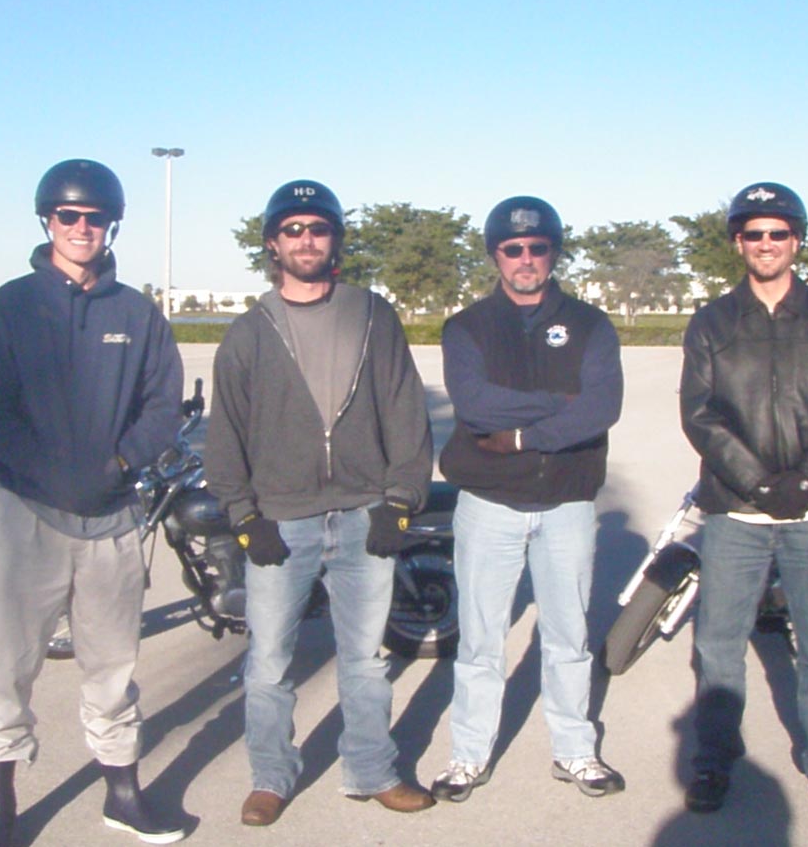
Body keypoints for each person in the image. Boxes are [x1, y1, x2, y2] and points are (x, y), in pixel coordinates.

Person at [0, 159, 186, 846]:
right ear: (47, 220)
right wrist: (47, 469)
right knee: (8, 667)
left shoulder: (138, 315)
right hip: (28, 516)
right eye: (68, 216)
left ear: (111, 225)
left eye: (95, 217)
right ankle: (1, 806)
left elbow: (162, 406)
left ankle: (123, 793)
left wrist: (119, 463)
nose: (81, 227)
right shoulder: (9, 307)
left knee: (112, 668)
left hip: (113, 519)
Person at [203, 179, 435, 827]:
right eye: (293, 229)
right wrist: (245, 517)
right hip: (282, 520)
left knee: (365, 662)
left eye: (319, 228)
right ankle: (271, 777)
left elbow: (405, 411)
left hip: (364, 514)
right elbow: (224, 437)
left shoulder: (373, 315)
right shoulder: (248, 334)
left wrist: (400, 500)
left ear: (336, 240)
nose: (307, 239)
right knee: (268, 665)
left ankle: (372, 770)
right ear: (273, 244)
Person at [679, 182, 808, 822]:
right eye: (754, 233)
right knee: (718, 646)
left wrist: (807, 480)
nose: (766, 244)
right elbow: (699, 414)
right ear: (738, 243)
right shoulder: (712, 322)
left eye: (778, 233)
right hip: (736, 509)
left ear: (796, 240)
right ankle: (714, 760)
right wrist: (761, 484)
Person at [431, 196, 625, 803]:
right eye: (513, 248)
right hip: (488, 504)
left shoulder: (591, 325)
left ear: (553, 253)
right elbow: (474, 405)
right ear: (496, 255)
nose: (525, 258)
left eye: (537, 247)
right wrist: (559, 406)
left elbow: (602, 408)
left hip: (567, 504)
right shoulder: (466, 327)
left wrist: (522, 435)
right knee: (480, 641)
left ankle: (575, 751)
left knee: (569, 638)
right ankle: (468, 756)